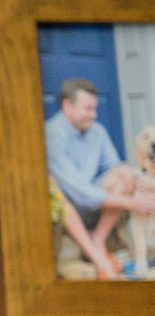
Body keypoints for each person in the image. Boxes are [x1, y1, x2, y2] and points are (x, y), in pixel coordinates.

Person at [46, 78, 155, 277]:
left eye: (94, 108)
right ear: (66, 106)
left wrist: (141, 183)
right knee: (56, 192)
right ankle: (98, 258)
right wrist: (130, 203)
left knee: (125, 172)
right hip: (67, 205)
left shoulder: (97, 131)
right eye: (87, 109)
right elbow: (77, 190)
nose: (93, 115)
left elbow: (113, 167)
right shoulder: (52, 134)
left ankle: (99, 239)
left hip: (93, 199)